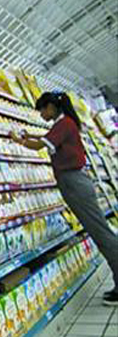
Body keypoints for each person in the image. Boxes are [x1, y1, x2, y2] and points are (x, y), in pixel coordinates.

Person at [10, 91, 118, 306]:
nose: (41, 113)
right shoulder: (63, 124)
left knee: (101, 232)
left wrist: (18, 141)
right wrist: (27, 135)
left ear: (52, 107)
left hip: (75, 183)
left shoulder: (64, 124)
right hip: (75, 182)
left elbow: (41, 145)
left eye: (42, 109)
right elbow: (45, 138)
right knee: (99, 230)